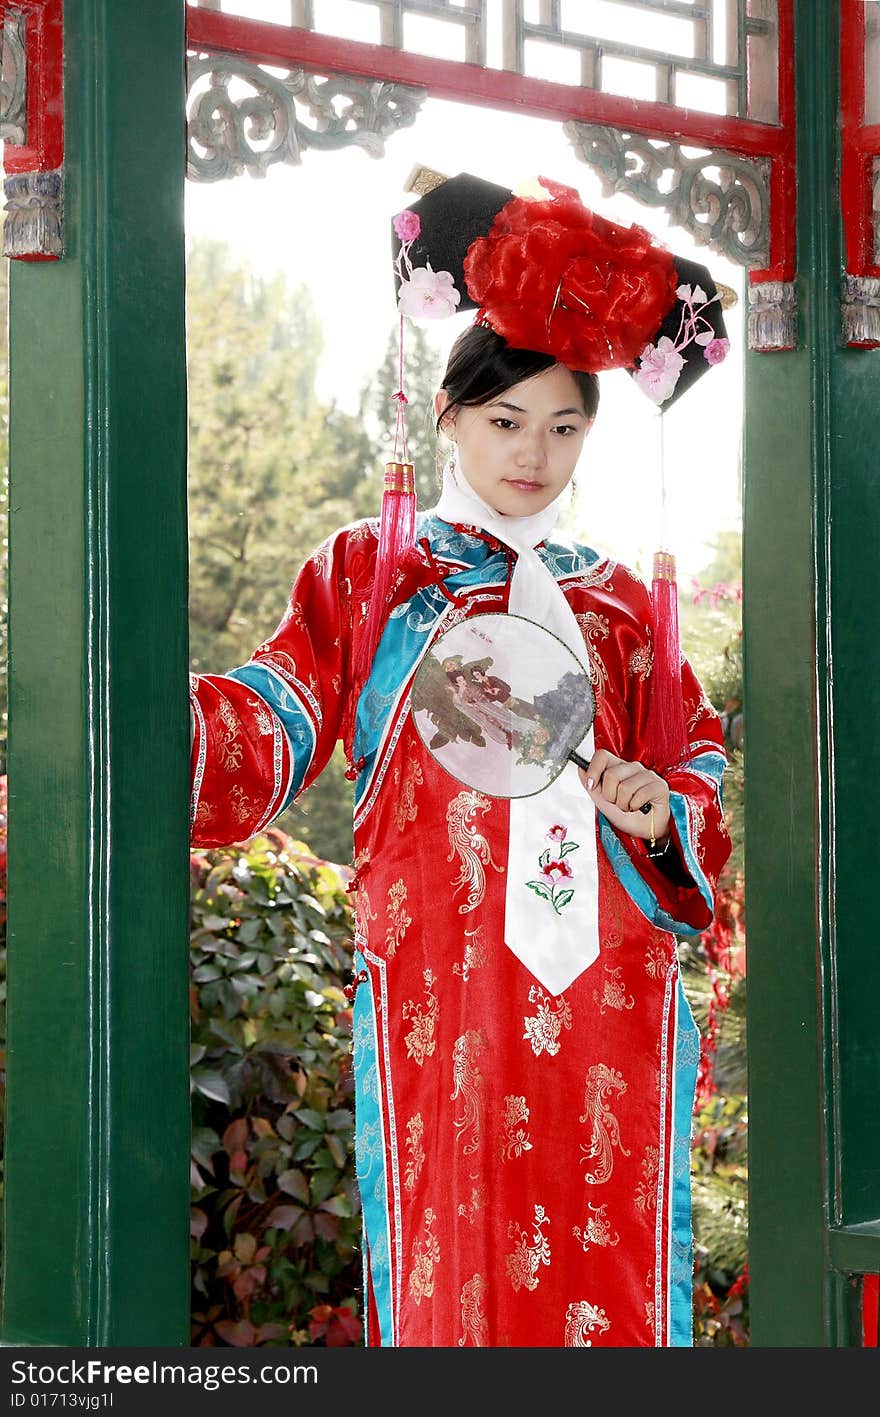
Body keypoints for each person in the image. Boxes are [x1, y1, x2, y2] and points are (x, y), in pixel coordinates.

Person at [189, 174, 732, 1347]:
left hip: (607, 985)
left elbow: (697, 756)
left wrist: (664, 808)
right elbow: (274, 714)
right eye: (504, 421)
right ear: (446, 416)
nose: (532, 454)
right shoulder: (373, 575)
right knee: (457, 1259)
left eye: (563, 425)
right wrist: (157, 719)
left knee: (607, 1264)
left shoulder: (624, 605)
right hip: (444, 973)